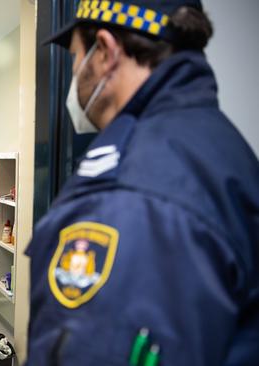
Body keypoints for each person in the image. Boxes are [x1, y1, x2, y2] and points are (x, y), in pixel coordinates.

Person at [26, 0, 259, 364]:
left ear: (104, 51)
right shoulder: (224, 148)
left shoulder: (126, 190)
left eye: (75, 56)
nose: (74, 73)